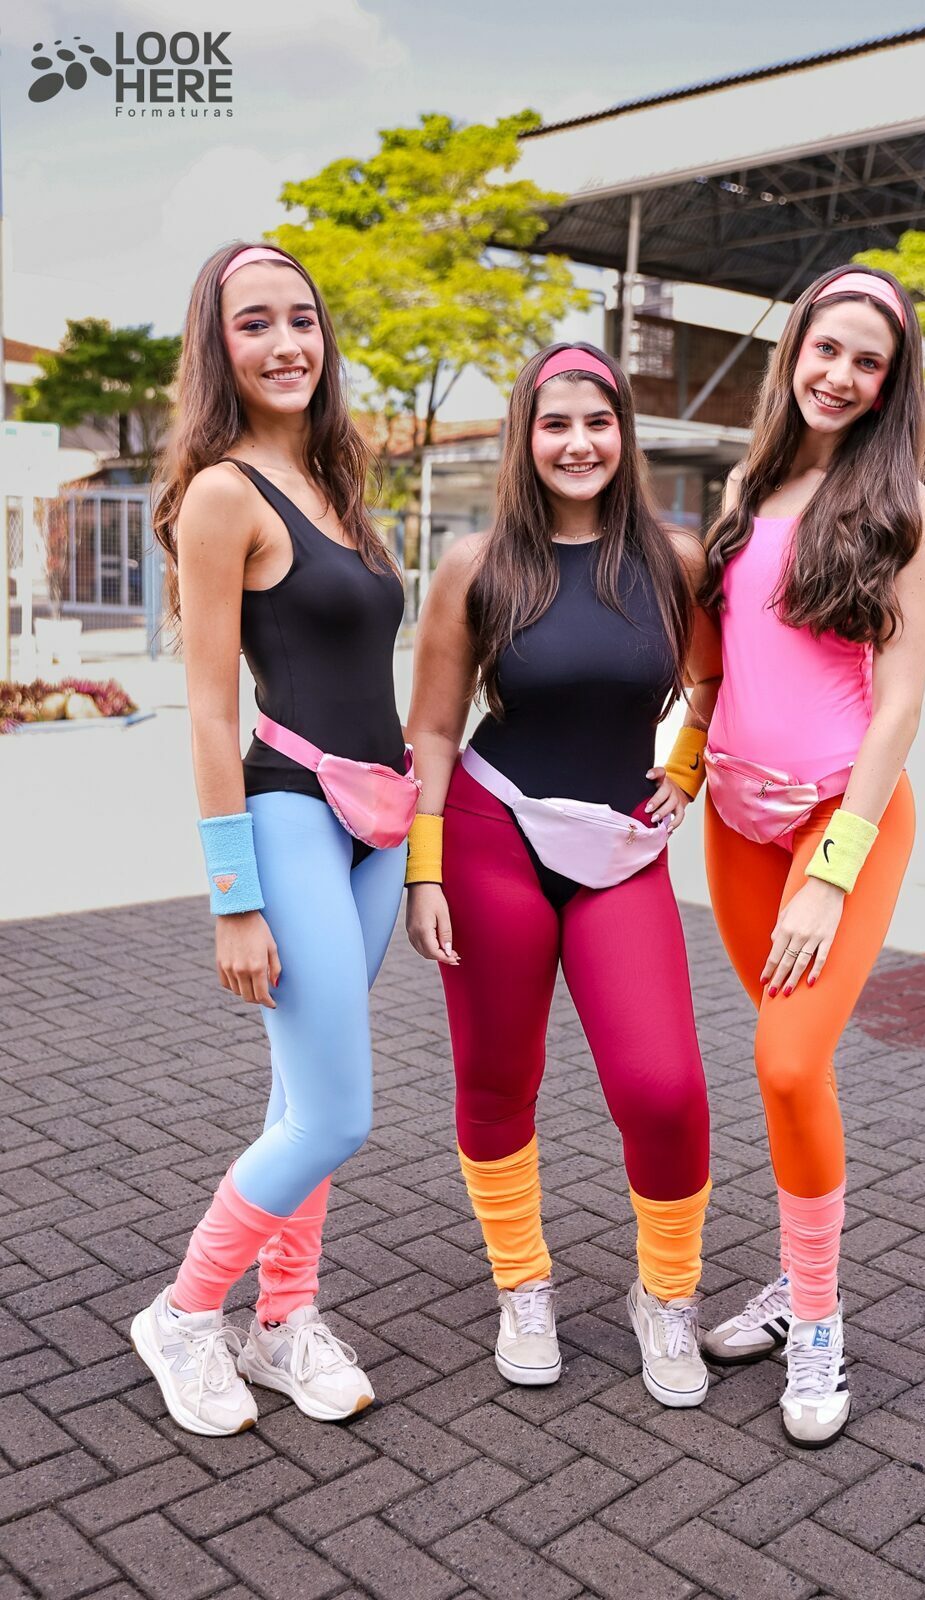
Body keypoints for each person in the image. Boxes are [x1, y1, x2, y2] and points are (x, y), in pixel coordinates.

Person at [404, 343, 721, 1408]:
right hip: (489, 835)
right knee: (498, 1079)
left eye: (597, 421)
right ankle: (522, 1284)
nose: (577, 442)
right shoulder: (476, 563)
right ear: (524, 437)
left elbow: (716, 679)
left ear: (623, 432)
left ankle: (664, 1295)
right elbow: (432, 728)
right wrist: (422, 870)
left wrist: (687, 764)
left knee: (663, 1088)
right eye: (554, 423)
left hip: (621, 851)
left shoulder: (673, 560)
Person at [132, 242, 414, 1436]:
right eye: (255, 323)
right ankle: (185, 1312)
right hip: (291, 813)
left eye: (302, 318)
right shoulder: (222, 493)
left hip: (380, 825)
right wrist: (232, 896)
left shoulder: (336, 480)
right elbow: (207, 708)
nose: (287, 341)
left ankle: (283, 1317)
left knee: (304, 1097)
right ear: (219, 347)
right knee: (336, 1115)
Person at [689, 267, 925, 1447]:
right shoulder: (745, 485)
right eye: (824, 349)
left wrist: (830, 872)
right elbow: (717, 661)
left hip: (841, 821)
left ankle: (819, 1318)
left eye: (865, 362)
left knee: (785, 1063)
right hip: (734, 820)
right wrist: (679, 764)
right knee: (797, 1064)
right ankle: (795, 1277)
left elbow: (898, 707)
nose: (837, 375)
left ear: (889, 384)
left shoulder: (899, 505)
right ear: (793, 351)